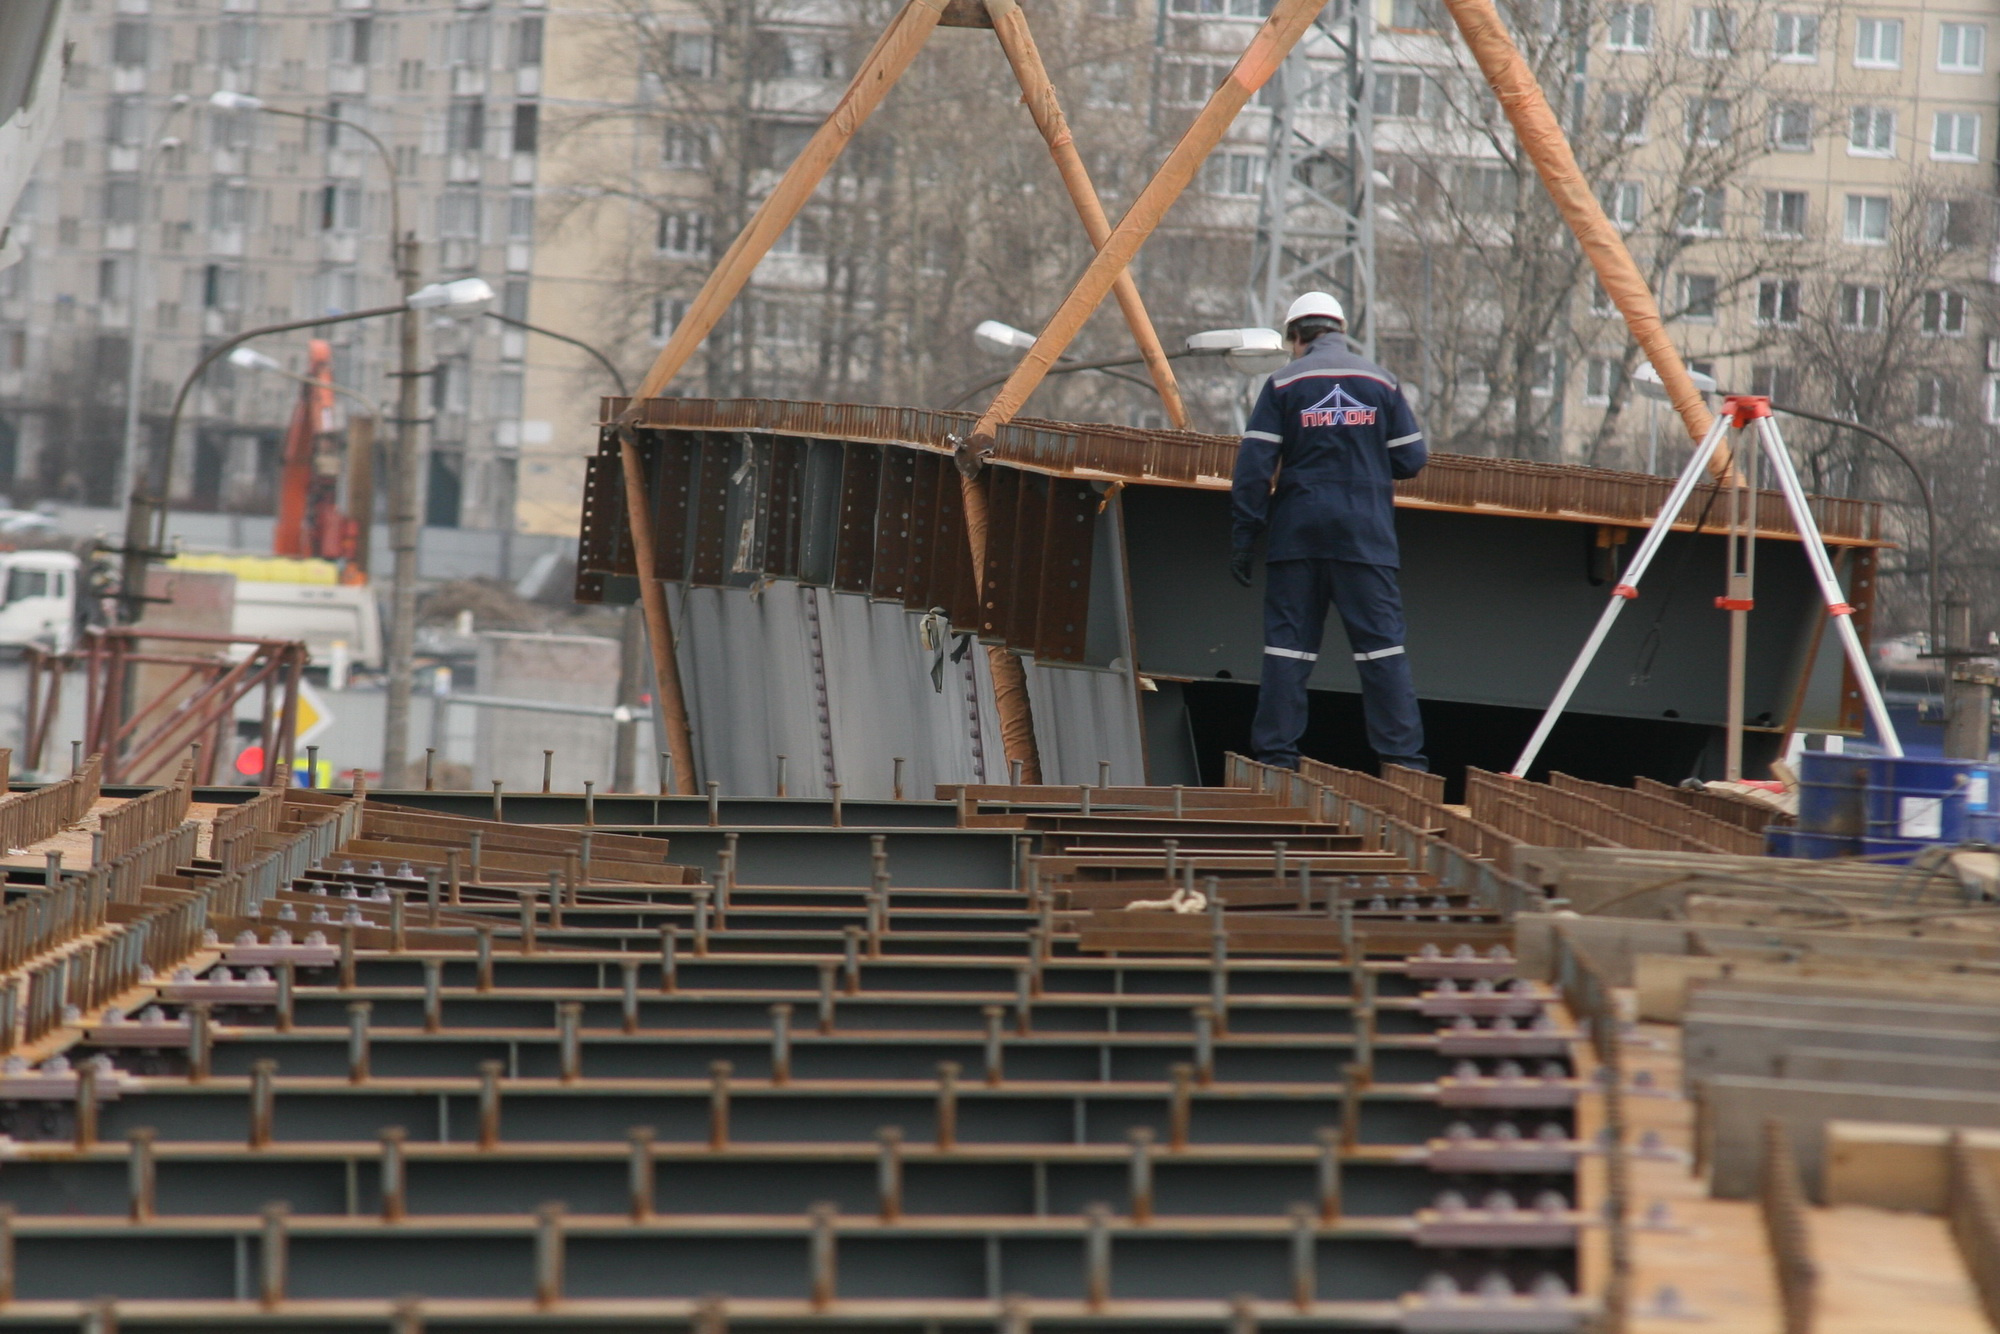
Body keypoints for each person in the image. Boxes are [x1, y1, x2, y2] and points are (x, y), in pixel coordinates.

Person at [1230, 291, 1430, 773]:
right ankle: (1404, 765)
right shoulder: (1381, 382)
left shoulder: (1281, 385)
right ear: (1339, 329)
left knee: (1287, 650)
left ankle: (1277, 758)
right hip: (1366, 539)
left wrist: (1244, 536)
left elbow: (1254, 469)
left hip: (1297, 537)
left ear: (1295, 337)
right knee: (1383, 651)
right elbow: (1411, 458)